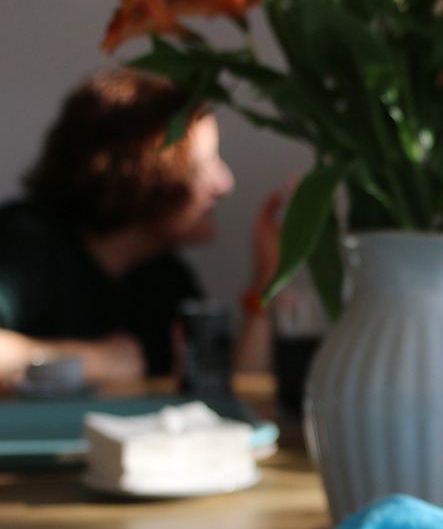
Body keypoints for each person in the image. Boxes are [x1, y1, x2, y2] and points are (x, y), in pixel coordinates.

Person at [0, 67, 270, 389]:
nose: (224, 184)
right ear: (141, 168)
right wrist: (92, 360)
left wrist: (267, 278)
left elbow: (231, 393)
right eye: (204, 164)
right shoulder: (27, 244)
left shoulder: (163, 277)